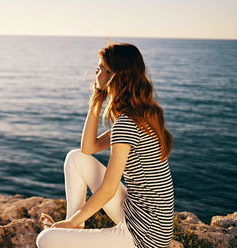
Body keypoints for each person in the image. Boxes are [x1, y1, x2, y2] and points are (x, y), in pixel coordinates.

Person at [35, 43, 174, 248]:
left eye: (101, 68)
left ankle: (71, 225)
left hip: (144, 236)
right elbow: (88, 148)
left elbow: (108, 190)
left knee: (44, 240)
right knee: (76, 158)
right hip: (143, 215)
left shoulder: (127, 124)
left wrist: (68, 223)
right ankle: (75, 226)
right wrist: (96, 100)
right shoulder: (142, 114)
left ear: (114, 76)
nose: (96, 71)